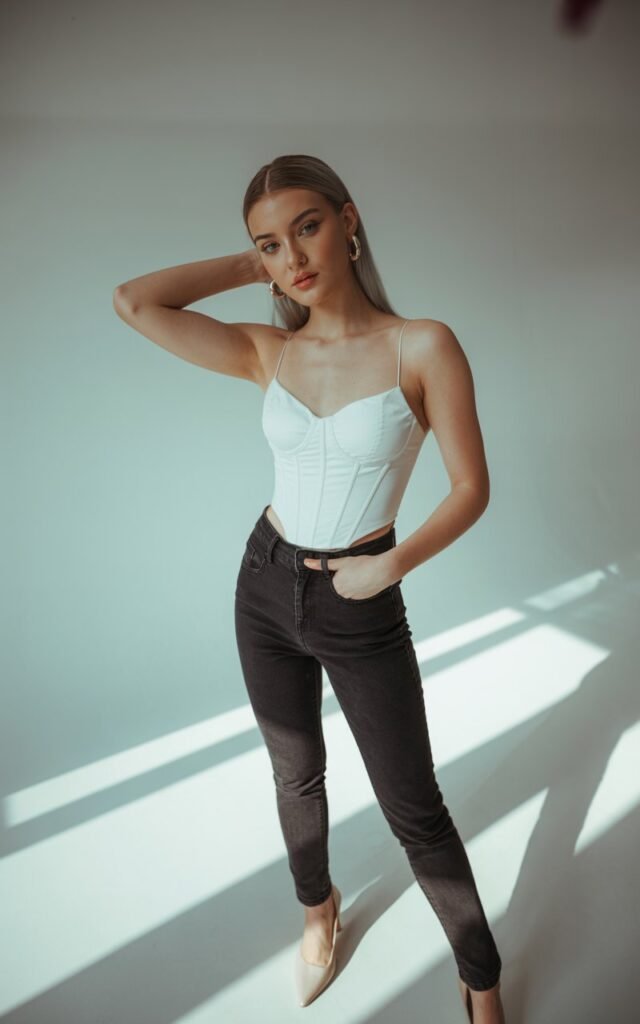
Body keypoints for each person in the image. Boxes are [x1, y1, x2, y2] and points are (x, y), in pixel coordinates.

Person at [113, 153, 506, 1022]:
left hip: (362, 597)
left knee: (415, 808)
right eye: (268, 244)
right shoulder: (269, 350)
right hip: (264, 581)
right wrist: (251, 265)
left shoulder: (422, 343)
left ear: (349, 219)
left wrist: (390, 566)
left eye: (307, 226)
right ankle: (316, 911)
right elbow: (136, 302)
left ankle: (481, 981)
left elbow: (472, 486)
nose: (292, 255)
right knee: (296, 775)